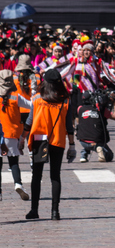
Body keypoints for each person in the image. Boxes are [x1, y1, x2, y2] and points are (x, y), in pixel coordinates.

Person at [22, 68, 75, 221]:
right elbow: (69, 125)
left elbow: (29, 121)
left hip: (39, 140)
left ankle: (34, 210)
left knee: (36, 176)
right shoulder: (65, 100)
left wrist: (21, 139)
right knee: (55, 176)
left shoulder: (37, 98)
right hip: (57, 140)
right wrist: (72, 145)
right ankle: (55, 212)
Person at [0, 70, 30, 200]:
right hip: (12, 134)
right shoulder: (16, 97)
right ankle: (18, 184)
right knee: (13, 163)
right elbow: (31, 105)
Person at [76, 88, 115, 162]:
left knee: (88, 134)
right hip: (96, 140)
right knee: (109, 156)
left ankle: (83, 154)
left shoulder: (79, 109)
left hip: (82, 141)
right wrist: (114, 103)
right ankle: (98, 148)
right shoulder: (100, 110)